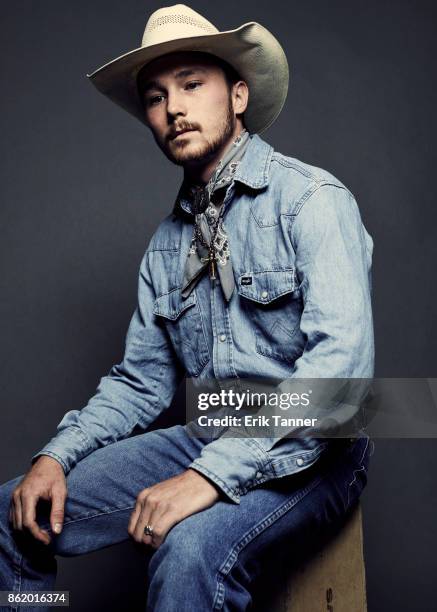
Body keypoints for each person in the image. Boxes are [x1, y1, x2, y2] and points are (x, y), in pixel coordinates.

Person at [0, 4, 375, 610]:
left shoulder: (312, 202)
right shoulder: (166, 248)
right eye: (155, 97)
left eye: (192, 85)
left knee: (190, 548)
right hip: (210, 433)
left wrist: (208, 478)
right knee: (11, 511)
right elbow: (140, 381)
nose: (173, 108)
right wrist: (55, 454)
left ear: (239, 95)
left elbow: (337, 385)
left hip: (318, 453)